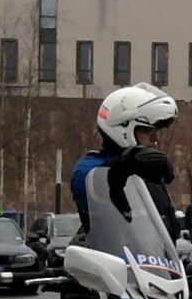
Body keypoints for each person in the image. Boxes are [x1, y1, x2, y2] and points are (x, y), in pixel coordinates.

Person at [70, 82, 180, 243]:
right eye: (147, 131)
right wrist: (128, 161)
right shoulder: (91, 167)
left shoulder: (147, 174)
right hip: (110, 263)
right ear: (123, 127)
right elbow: (88, 182)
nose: (155, 139)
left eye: (156, 132)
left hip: (151, 264)